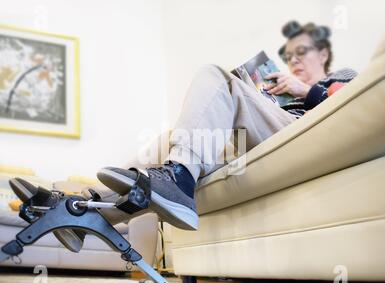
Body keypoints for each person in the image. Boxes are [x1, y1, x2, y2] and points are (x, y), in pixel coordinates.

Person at [60, 21, 359, 251]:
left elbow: (354, 108)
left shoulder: (342, 76)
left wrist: (305, 90)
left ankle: (179, 178)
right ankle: (85, 209)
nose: (293, 60)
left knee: (215, 76)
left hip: (303, 131)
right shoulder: (281, 88)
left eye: (301, 53)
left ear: (323, 53)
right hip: (260, 138)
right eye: (288, 55)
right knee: (171, 139)